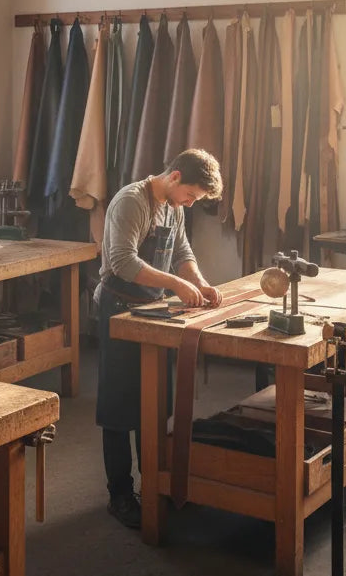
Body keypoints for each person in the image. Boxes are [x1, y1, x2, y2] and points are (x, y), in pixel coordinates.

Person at [95, 148, 224, 529]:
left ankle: (155, 484)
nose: (191, 203)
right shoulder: (131, 202)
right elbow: (122, 261)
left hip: (153, 311)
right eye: (192, 196)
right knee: (119, 406)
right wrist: (176, 283)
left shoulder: (174, 206)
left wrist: (198, 281)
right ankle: (119, 495)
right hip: (119, 307)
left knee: (153, 400)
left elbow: (181, 250)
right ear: (175, 177)